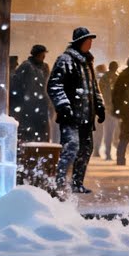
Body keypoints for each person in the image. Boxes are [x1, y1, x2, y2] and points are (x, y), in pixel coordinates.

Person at [46, 27, 106, 196]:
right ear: (80, 42)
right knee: (71, 147)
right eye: (88, 40)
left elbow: (94, 88)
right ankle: (59, 182)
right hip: (71, 116)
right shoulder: (65, 60)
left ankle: (77, 183)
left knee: (86, 149)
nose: (90, 43)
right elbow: (54, 85)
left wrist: (99, 106)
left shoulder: (88, 62)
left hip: (87, 116)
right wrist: (64, 105)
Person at [9, 44, 51, 144]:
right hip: (29, 106)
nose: (43, 57)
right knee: (30, 131)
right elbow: (17, 85)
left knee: (41, 130)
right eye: (42, 54)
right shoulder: (26, 66)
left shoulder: (44, 67)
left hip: (41, 104)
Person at [96, 60, 120, 160]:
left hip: (105, 108)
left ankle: (106, 152)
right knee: (113, 132)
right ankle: (111, 152)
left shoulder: (103, 78)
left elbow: (100, 90)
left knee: (106, 132)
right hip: (114, 109)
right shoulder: (117, 77)